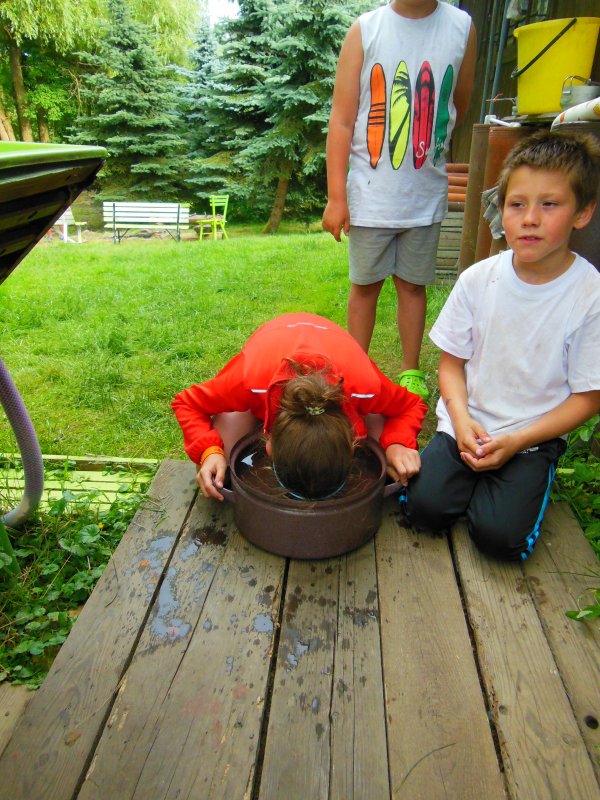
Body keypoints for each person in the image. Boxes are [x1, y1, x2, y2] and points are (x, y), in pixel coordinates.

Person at [405, 130, 600, 561]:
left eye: (550, 204)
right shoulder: (478, 279)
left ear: (583, 213)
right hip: (465, 425)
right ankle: (470, 483)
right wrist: (460, 419)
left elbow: (589, 397)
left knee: (498, 538)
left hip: (531, 438)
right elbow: (451, 364)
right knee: (423, 510)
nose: (530, 218)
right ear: (502, 209)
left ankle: (517, 485)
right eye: (517, 204)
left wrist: (516, 441)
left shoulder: (590, 295)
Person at [322, 0, 477, 401]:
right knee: (365, 286)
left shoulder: (461, 27)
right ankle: (355, 368)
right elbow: (341, 119)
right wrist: (337, 197)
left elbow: (457, 102)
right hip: (371, 197)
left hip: (424, 195)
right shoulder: (366, 30)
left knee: (412, 286)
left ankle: (410, 370)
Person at [172, 312, 427, 501]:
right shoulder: (249, 381)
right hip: (272, 351)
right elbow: (187, 403)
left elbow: (411, 405)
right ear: (268, 446)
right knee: (218, 469)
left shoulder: (365, 386)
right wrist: (210, 452)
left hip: (337, 351)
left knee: (384, 450)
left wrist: (397, 443)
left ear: (353, 446)